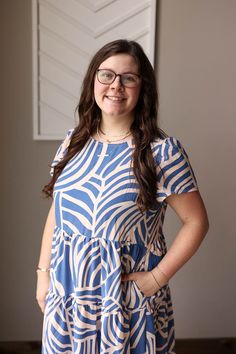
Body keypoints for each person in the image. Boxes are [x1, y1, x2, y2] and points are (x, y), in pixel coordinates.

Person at [36, 39, 209, 354]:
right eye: (107, 75)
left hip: (126, 301)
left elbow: (196, 221)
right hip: (68, 294)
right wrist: (42, 274)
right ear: (93, 81)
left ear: (142, 88)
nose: (116, 85)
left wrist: (156, 279)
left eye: (128, 77)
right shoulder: (72, 143)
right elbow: (58, 213)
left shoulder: (162, 151)